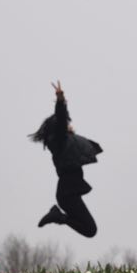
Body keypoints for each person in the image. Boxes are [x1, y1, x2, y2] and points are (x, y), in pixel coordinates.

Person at [30, 81, 100, 238]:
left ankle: (58, 215)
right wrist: (60, 100)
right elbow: (61, 119)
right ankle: (57, 215)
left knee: (90, 230)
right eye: (67, 123)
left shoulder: (62, 144)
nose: (70, 125)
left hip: (68, 194)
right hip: (67, 194)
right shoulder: (59, 141)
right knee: (90, 230)